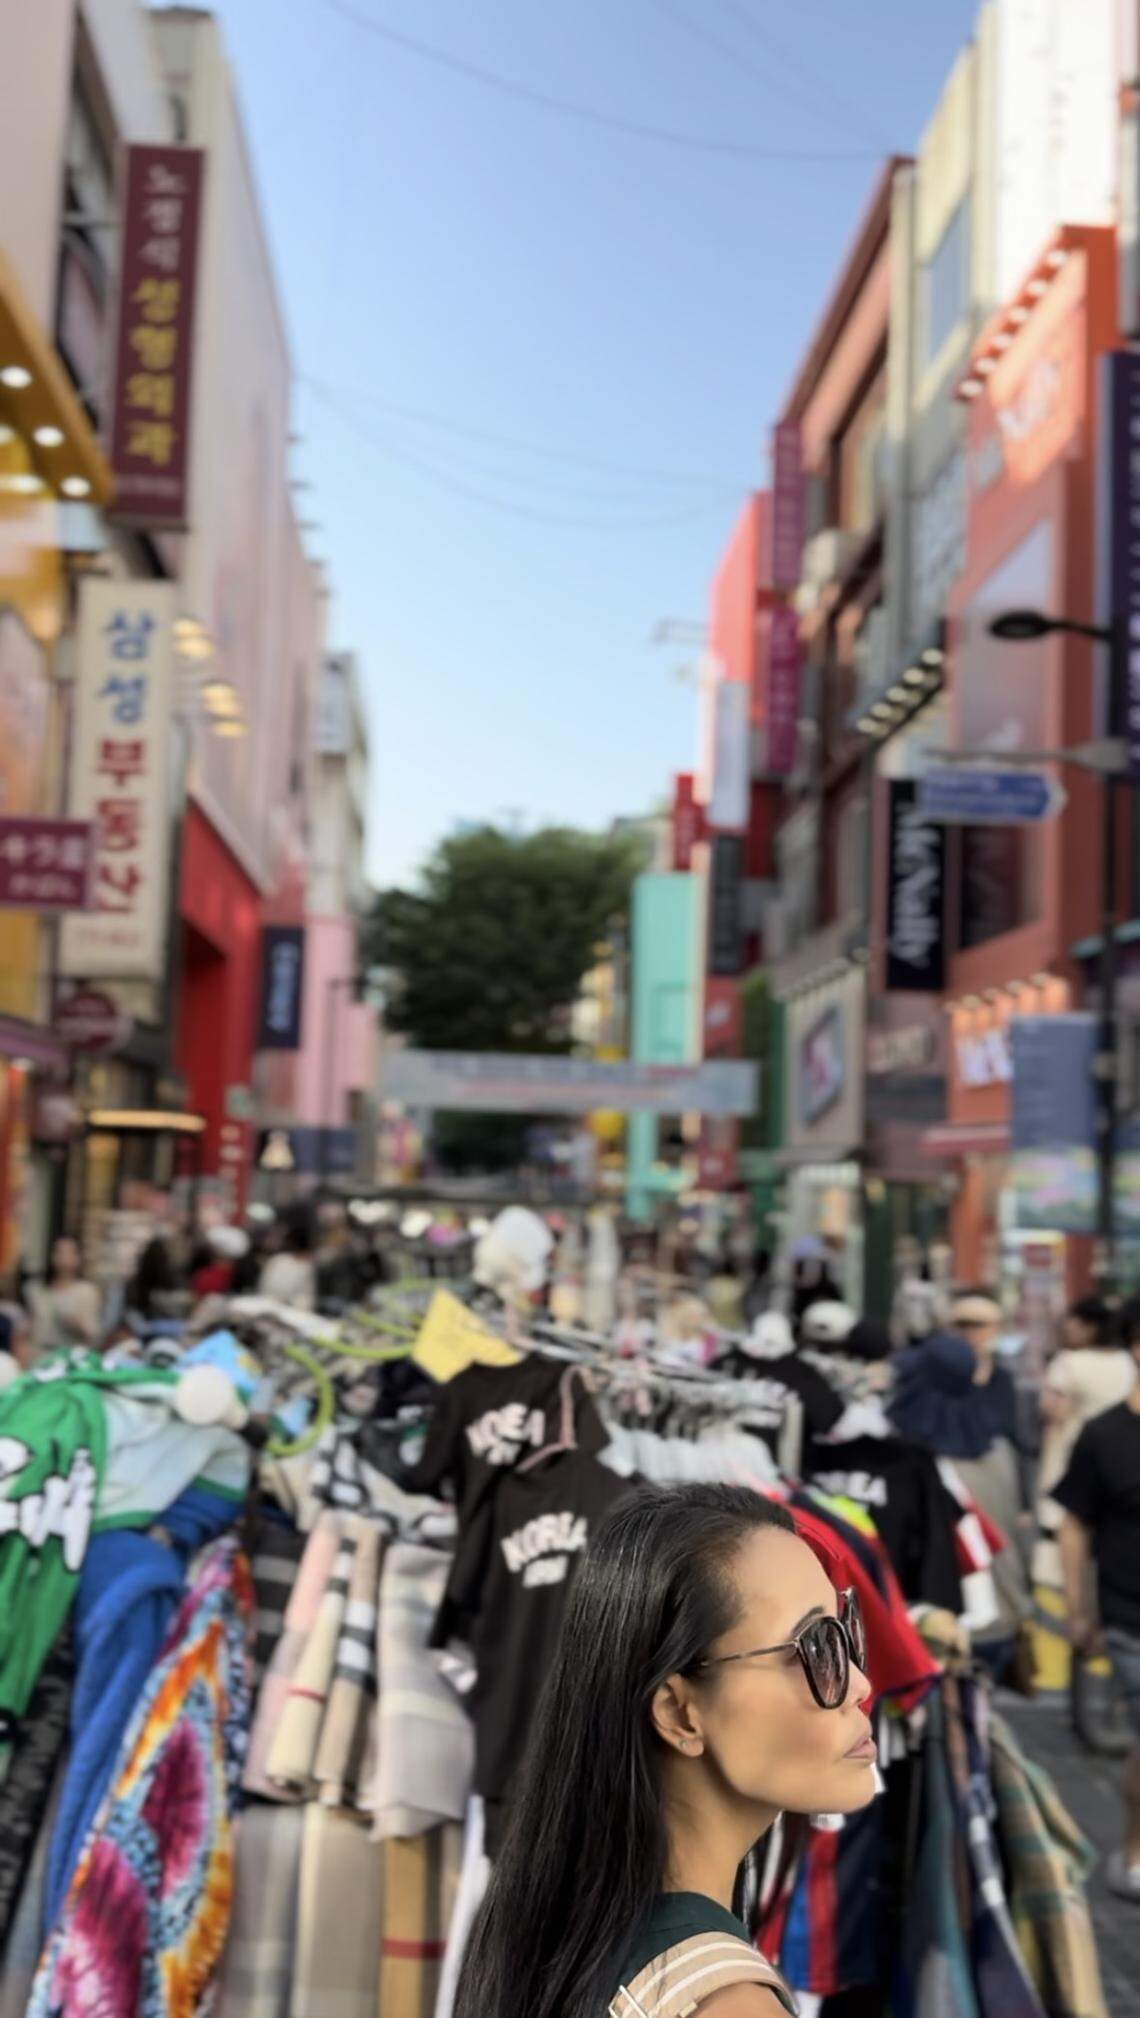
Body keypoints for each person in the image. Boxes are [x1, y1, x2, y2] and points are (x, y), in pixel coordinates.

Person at [455, 1482, 875, 2018]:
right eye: (814, 1647)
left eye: (845, 1632)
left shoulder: (567, 1947)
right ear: (680, 1713)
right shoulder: (726, 2004)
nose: (859, 1686)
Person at [890, 1289, 1031, 1681]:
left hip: (930, 1622)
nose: (969, 1332)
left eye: (978, 1324)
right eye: (961, 1323)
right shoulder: (997, 1447)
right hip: (997, 1615)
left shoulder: (905, 1457)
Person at [1055, 1299, 1140, 1901]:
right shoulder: (1105, 1434)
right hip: (1131, 1612)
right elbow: (1075, 1524)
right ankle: (1137, 1848)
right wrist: (1077, 1610)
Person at [1036, 1295, 1135, 1587]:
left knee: (1060, 1555)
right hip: (1121, 1469)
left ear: (1090, 1326)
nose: (1066, 1326)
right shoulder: (1126, 1362)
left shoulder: (1068, 1363)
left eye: (1073, 1320)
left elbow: (1054, 1412)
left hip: (1071, 1468)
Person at [27, 1235, 101, 1359]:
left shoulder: (87, 1291)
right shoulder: (36, 1290)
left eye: (69, 1252)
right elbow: (29, 1329)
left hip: (71, 1359)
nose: (63, 1257)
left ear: (78, 1257)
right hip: (40, 1357)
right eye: (58, 1252)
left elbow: (93, 1334)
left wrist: (76, 1323)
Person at [259, 1219, 317, 1310]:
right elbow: (265, 1285)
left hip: (288, 1309)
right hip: (267, 1303)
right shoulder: (278, 1260)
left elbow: (306, 1297)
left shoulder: (307, 1267)